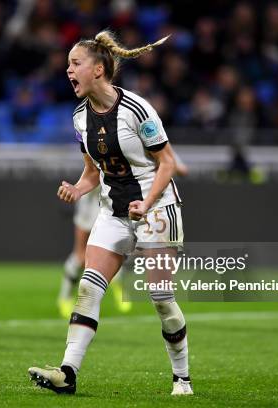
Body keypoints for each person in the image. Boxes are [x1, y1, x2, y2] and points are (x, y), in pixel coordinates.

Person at [29, 31, 193, 396]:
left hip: (158, 208)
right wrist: (76, 187)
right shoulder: (78, 119)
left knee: (161, 298)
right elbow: (91, 172)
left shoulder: (138, 109)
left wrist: (147, 203)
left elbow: (165, 163)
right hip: (113, 212)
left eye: (75, 63)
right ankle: (67, 373)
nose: (68, 70)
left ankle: (181, 377)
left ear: (99, 69)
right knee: (88, 288)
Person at [58, 157, 188, 318]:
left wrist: (168, 165)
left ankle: (118, 282)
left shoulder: (149, 136)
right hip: (93, 198)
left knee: (127, 247)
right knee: (81, 254)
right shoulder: (93, 133)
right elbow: (91, 165)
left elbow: (174, 164)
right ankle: (65, 295)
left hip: (125, 199)